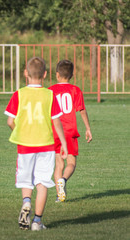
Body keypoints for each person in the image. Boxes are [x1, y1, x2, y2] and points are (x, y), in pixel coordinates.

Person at [4, 57, 68, 231]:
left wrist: (20, 132)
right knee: (42, 183)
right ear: (45, 74)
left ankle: (26, 203)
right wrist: (63, 143)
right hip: (46, 145)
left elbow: (10, 121)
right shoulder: (49, 95)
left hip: (25, 146)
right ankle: (37, 221)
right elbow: (56, 122)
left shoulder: (19, 94)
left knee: (26, 181)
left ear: (26, 73)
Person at [48, 60, 93, 202]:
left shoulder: (50, 90)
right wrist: (88, 128)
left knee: (59, 164)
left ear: (57, 74)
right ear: (72, 75)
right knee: (71, 163)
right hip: (69, 131)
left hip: (55, 131)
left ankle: (58, 195)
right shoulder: (75, 90)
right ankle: (63, 180)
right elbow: (82, 110)